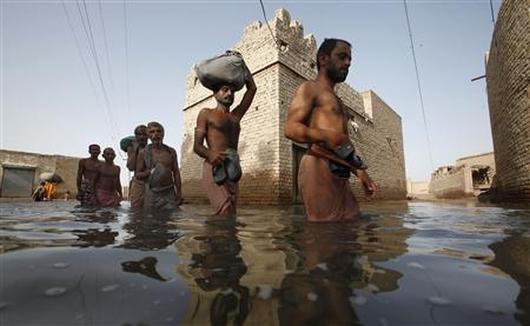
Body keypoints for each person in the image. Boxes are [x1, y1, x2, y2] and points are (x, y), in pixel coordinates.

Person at [284, 38, 377, 222]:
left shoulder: (340, 103)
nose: (348, 63)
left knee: (350, 229)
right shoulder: (310, 88)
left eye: (350, 59)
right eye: (342, 57)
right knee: (324, 238)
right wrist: (325, 135)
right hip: (318, 168)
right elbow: (290, 128)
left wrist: (360, 172)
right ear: (323, 59)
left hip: (341, 173)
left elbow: (344, 145)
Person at [193, 61, 256, 215]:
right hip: (214, 166)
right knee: (225, 210)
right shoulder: (206, 113)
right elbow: (197, 146)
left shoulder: (235, 116)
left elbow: (252, 89)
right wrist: (210, 154)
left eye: (232, 91)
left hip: (233, 167)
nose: (230, 94)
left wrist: (242, 65)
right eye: (225, 90)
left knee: (231, 213)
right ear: (215, 94)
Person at [136, 122, 182, 210]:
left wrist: (179, 193)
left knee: (171, 220)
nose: (155, 134)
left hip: (169, 192)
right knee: (151, 220)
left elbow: (176, 172)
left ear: (163, 133)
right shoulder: (143, 153)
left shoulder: (171, 151)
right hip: (152, 193)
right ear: (148, 135)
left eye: (158, 131)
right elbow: (138, 174)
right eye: (152, 132)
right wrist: (150, 172)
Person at [126, 125, 148, 209]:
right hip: (138, 183)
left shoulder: (152, 148)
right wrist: (136, 149)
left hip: (152, 184)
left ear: (148, 135)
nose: (142, 137)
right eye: (139, 134)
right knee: (136, 211)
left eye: (144, 134)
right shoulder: (131, 148)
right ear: (136, 136)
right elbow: (131, 167)